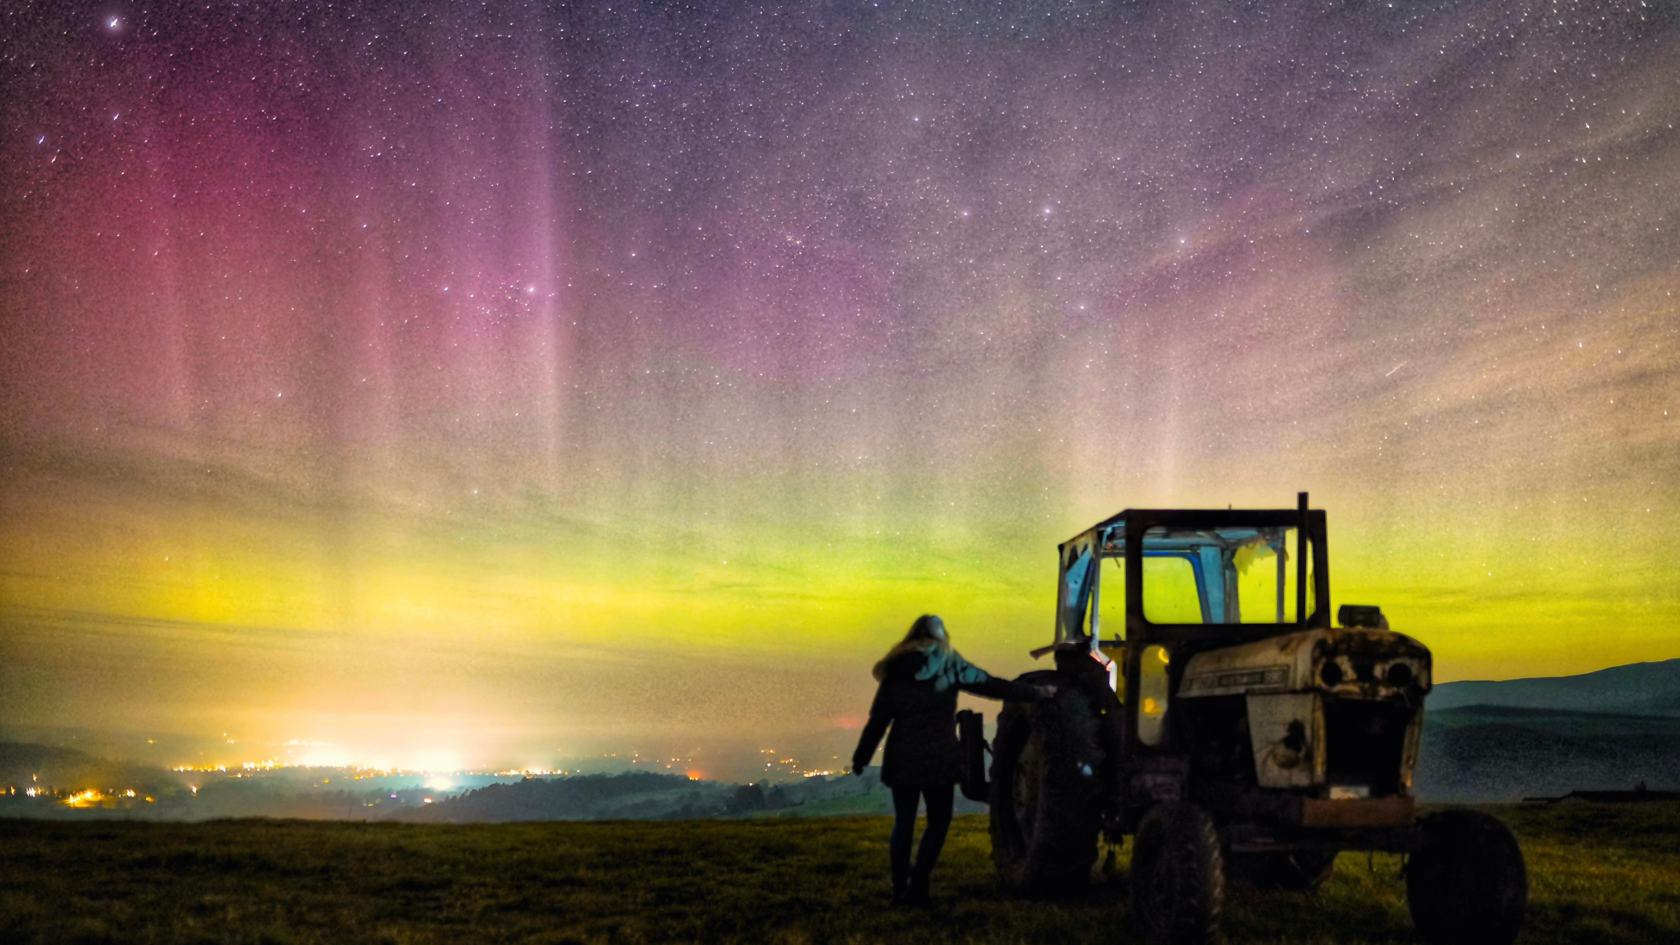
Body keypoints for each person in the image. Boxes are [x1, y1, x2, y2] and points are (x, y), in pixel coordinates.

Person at [851, 614, 1049, 906]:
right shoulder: (949, 663)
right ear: (941, 636)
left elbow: (878, 721)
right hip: (939, 756)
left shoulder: (896, 670)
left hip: (902, 756)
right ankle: (919, 887)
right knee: (938, 821)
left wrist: (861, 757)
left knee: (903, 820)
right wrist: (1037, 693)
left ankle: (899, 890)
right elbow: (990, 684)